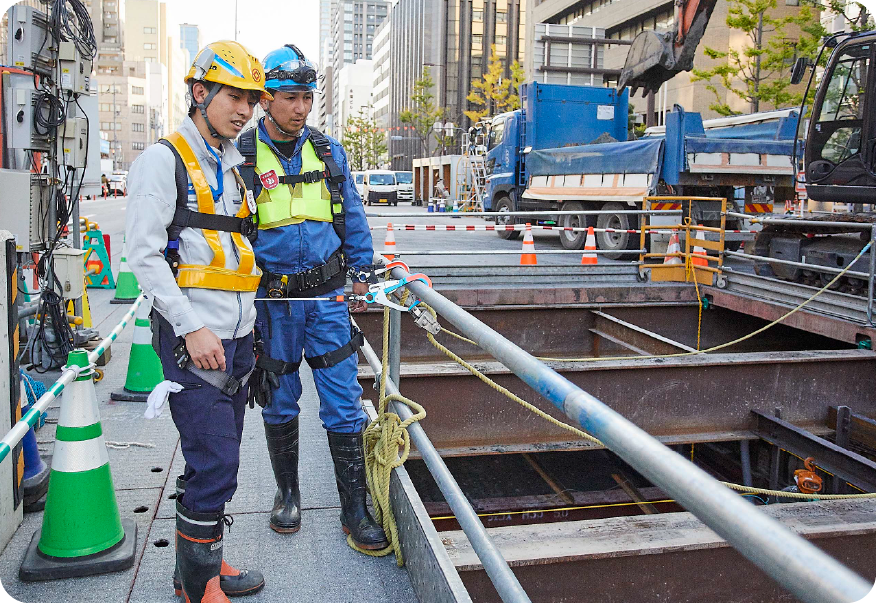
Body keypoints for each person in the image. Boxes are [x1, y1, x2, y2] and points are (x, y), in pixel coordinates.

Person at [125, 41, 271, 602]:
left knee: (217, 456)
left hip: (236, 337)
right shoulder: (162, 161)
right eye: (234, 96)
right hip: (196, 339)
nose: (244, 110)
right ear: (200, 92)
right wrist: (190, 327)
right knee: (216, 461)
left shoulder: (233, 167)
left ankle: (202, 564)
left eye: (251, 100)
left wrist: (250, 332)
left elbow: (234, 252)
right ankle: (197, 585)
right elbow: (143, 257)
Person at [238, 44, 388, 551]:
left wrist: (361, 270)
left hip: (327, 301)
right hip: (271, 306)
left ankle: (355, 510)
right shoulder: (240, 155)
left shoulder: (327, 152)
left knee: (344, 402)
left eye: (307, 97)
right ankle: (288, 494)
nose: (301, 108)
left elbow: (352, 214)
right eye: (291, 98)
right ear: (266, 99)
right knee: (278, 399)